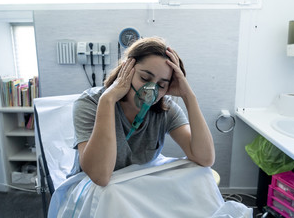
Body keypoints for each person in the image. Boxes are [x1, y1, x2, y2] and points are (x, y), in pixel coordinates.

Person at [70, 36, 215, 186]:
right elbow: (100, 176)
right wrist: (108, 100)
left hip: (136, 187)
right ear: (126, 70)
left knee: (202, 178)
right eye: (145, 78)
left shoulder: (165, 109)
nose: (150, 90)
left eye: (161, 85)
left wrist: (189, 96)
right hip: (93, 191)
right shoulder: (90, 103)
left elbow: (205, 159)